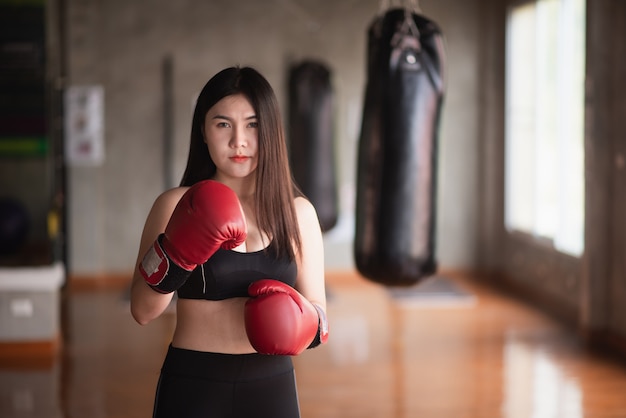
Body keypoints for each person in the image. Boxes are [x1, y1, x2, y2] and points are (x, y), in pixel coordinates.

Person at [130, 66, 328, 418]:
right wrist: (178, 253)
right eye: (223, 124)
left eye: (252, 124)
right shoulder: (175, 205)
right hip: (194, 382)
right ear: (203, 132)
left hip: (273, 385)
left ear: (271, 132)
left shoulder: (298, 213)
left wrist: (296, 320)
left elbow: (320, 319)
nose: (239, 140)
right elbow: (143, 311)